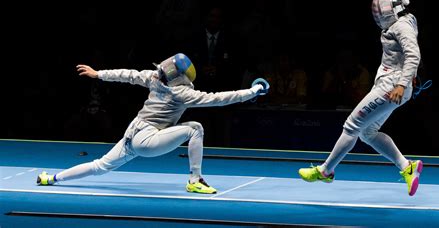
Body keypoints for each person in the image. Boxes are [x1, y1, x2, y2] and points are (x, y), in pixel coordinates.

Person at [37, 53, 269, 194]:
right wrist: (254, 91)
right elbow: (220, 99)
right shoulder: (178, 91)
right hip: (146, 139)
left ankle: (51, 179)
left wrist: (99, 74)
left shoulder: (156, 79)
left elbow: (127, 74)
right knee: (195, 127)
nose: (161, 70)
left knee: (100, 166)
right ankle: (195, 180)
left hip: (133, 132)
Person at [298, 0, 423, 196]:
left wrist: (402, 84)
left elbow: (414, 56)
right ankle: (407, 167)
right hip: (388, 83)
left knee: (352, 126)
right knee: (368, 132)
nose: (378, 17)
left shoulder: (401, 28)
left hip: (393, 86)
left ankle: (326, 171)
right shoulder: (397, 7)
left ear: (389, 13)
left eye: (380, 14)